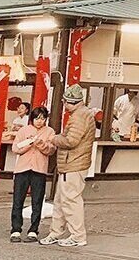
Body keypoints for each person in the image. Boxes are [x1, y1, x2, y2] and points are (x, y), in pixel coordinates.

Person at [40, 85, 96, 248]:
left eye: (65, 102)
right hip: (70, 164)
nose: (64, 106)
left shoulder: (79, 116)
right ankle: (56, 232)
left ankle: (78, 235)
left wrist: (54, 138)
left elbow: (71, 141)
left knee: (70, 201)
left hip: (74, 164)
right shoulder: (83, 114)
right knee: (60, 200)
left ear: (70, 102)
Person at [9, 106, 54, 242]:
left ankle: (33, 230)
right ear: (32, 119)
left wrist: (40, 143)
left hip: (39, 169)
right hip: (22, 169)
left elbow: (51, 150)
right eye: (37, 118)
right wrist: (28, 143)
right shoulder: (24, 130)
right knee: (18, 199)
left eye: (42, 119)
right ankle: (16, 229)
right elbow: (15, 148)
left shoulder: (50, 132)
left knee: (37, 200)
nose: (39, 121)